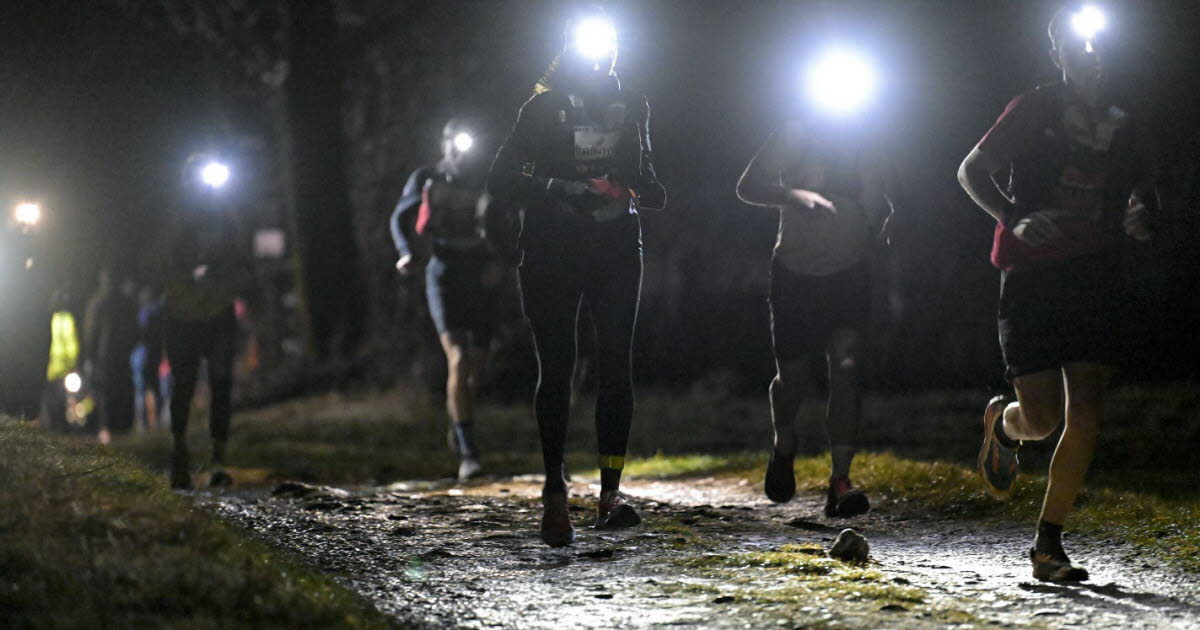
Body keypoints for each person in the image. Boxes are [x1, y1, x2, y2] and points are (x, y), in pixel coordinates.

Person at [957, 5, 1152, 581]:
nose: (1091, 55)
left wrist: (1143, 217)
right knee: (1040, 420)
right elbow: (971, 170)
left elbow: (1146, 199)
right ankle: (1003, 423)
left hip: (1094, 273)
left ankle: (1048, 545)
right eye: (1078, 46)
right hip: (1031, 274)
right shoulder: (1034, 107)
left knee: (1086, 409)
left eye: (1100, 47)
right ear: (1059, 55)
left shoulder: (1128, 122)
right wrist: (1012, 217)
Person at [488, 7, 666, 547]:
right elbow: (503, 177)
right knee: (558, 368)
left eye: (607, 44)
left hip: (615, 251)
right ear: (569, 49)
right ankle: (554, 493)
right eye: (588, 45)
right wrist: (556, 187)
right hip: (550, 251)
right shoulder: (541, 109)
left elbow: (648, 181)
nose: (599, 54)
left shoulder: (631, 104)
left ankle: (611, 494)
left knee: (616, 363)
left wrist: (635, 189)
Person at [736, 98, 898, 518]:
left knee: (846, 369)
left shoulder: (870, 141)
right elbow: (747, 186)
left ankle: (840, 481)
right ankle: (783, 439)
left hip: (849, 274)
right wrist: (793, 193)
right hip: (796, 274)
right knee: (794, 378)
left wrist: (876, 221)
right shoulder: (794, 135)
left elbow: (880, 203)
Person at [391, 118, 514, 482]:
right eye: (456, 145)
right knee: (457, 360)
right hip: (444, 274)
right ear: (445, 145)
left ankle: (457, 415)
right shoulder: (427, 178)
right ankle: (468, 452)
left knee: (476, 371)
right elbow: (400, 218)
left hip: (480, 275)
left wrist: (502, 263)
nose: (462, 153)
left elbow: (510, 224)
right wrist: (406, 253)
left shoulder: (489, 180)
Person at [158, 154, 252, 489]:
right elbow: (155, 261)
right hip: (183, 313)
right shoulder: (173, 216)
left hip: (218, 311)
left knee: (221, 383)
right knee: (182, 384)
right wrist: (185, 281)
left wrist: (222, 284)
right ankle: (179, 450)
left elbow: (243, 260)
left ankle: (218, 458)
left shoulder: (227, 217)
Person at [82, 270, 139, 441]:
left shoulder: (98, 302)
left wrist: (89, 356)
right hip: (123, 353)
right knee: (123, 389)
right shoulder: (127, 302)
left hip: (105, 354)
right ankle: (123, 427)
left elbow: (91, 331)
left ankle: (107, 428)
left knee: (106, 392)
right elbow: (136, 329)